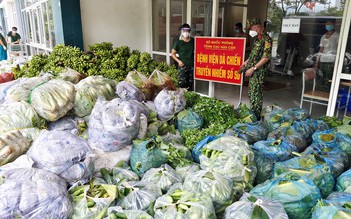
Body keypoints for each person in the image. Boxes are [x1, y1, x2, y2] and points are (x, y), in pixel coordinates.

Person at [240, 17, 272, 120]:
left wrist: (253, 68)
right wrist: (246, 62)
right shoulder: (257, 38)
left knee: (256, 96)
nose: (251, 30)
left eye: (252, 28)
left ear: (257, 26)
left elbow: (266, 57)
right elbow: (254, 54)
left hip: (258, 72)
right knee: (251, 94)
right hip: (252, 71)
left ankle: (256, 119)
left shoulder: (267, 39)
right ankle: (253, 116)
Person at [315, 20, 339, 91]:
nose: (327, 25)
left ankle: (328, 95)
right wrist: (317, 62)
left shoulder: (337, 35)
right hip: (323, 60)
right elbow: (321, 49)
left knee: (329, 79)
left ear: (334, 25)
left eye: (329, 24)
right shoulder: (323, 37)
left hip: (332, 61)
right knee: (322, 78)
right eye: (326, 24)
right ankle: (323, 94)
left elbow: (340, 48)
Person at [171, 23, 195, 91]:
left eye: (187, 31)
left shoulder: (193, 41)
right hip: (182, 66)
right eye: (184, 31)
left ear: (189, 31)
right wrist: (178, 61)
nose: (186, 32)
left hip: (191, 65)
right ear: (181, 32)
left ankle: (189, 96)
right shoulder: (178, 43)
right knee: (181, 83)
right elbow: (173, 53)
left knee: (190, 83)